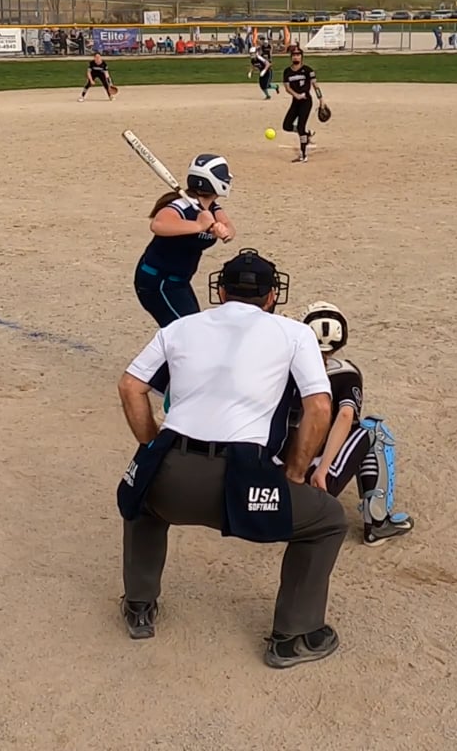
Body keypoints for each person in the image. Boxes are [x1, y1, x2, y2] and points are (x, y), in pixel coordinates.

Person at [116, 249, 348, 668]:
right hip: (244, 479)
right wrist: (296, 472)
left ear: (221, 291)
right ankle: (292, 636)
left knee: (141, 498)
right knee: (328, 520)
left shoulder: (181, 327)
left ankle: (139, 606)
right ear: (272, 295)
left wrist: (150, 445)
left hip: (173, 468)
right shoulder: (295, 333)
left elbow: (131, 385)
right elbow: (319, 406)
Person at [296, 301, 414, 545]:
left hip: (274, 477)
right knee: (374, 430)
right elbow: (346, 416)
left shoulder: (285, 367)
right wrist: (323, 470)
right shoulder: (346, 373)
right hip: (311, 482)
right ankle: (377, 523)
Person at [134, 154, 236, 328]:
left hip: (179, 282)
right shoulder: (181, 205)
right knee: (188, 332)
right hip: (158, 282)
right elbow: (158, 224)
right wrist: (198, 226)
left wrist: (222, 229)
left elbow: (230, 229)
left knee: (191, 331)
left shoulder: (211, 207)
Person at [280, 46, 320, 164]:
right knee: (286, 125)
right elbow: (287, 87)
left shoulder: (308, 70)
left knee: (301, 126)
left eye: (298, 55)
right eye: (294, 55)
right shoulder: (287, 71)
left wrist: (321, 100)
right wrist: (296, 95)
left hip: (306, 102)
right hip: (296, 101)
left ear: (302, 57)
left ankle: (303, 155)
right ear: (291, 57)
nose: (296, 57)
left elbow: (315, 86)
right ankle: (306, 135)